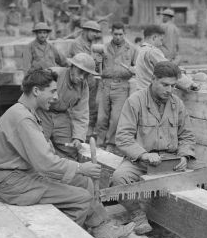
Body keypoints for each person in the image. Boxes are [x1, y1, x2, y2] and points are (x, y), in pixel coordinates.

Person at [0, 68, 134, 238]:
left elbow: (43, 156)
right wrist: (80, 167)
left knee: (84, 182)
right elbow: (46, 163)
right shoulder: (23, 118)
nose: (56, 97)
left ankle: (102, 230)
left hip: (21, 175)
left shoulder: (25, 112)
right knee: (81, 198)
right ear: (36, 91)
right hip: (13, 183)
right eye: (52, 91)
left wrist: (78, 172)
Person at [112, 61, 203, 234]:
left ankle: (197, 221)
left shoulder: (177, 104)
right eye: (165, 85)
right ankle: (137, 215)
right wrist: (144, 155)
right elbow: (123, 138)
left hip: (172, 160)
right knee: (118, 179)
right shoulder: (135, 101)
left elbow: (187, 136)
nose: (169, 90)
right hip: (142, 161)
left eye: (173, 86)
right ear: (153, 79)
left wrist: (184, 156)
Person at [36, 53, 95, 159]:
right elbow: (32, 94)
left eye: (86, 75)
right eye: (80, 72)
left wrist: (78, 137)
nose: (82, 77)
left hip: (61, 115)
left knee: (71, 149)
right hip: (42, 113)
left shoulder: (83, 86)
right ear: (72, 67)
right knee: (39, 148)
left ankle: (67, 171)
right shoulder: (52, 74)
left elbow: (81, 114)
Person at [96, 22, 137, 153]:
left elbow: (137, 68)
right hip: (105, 85)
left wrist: (132, 69)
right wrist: (97, 61)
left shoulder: (132, 49)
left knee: (116, 118)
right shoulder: (104, 48)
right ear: (111, 33)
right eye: (115, 34)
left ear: (124, 33)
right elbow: (98, 69)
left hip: (121, 86)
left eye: (120, 34)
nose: (118, 37)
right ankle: (99, 142)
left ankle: (111, 143)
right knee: (102, 117)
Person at [134, 25, 197, 93]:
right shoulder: (152, 51)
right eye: (161, 40)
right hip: (151, 94)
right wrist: (189, 84)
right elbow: (170, 70)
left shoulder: (141, 49)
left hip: (141, 93)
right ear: (154, 37)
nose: (161, 43)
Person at [68, 20, 103, 139]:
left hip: (90, 81)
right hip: (79, 81)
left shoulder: (91, 45)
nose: (95, 34)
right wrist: (94, 59)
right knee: (78, 109)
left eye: (96, 32)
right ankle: (76, 134)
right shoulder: (77, 44)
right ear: (85, 31)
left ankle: (88, 133)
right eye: (93, 31)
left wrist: (97, 62)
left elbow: (93, 66)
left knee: (91, 107)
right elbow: (82, 62)